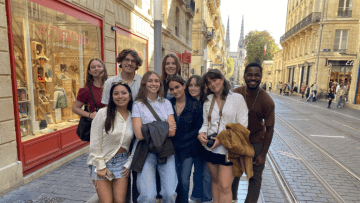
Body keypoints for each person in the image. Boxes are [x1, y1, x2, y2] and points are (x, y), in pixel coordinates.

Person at [197, 69, 248, 203]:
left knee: (225, 185)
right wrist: (201, 134)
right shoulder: (208, 100)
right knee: (215, 182)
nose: (213, 84)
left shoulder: (237, 98)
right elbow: (205, 124)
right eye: (209, 82)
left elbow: (242, 126)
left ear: (222, 79)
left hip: (229, 149)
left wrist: (221, 139)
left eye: (215, 80)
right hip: (211, 148)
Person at [101, 49, 143, 203]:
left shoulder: (142, 81)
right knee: (120, 175)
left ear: (137, 64)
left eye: (133, 61)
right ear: (120, 61)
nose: (129, 63)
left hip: (136, 131)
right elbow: (106, 109)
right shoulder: (110, 82)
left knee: (136, 173)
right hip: (117, 134)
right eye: (126, 59)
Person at [131, 71, 178, 202]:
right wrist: (163, 128)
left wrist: (149, 128)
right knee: (147, 195)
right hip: (145, 151)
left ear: (160, 84)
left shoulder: (166, 103)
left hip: (165, 150)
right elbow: (139, 135)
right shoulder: (137, 105)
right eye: (150, 80)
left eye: (156, 81)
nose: (154, 83)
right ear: (144, 83)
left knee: (169, 193)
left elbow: (172, 132)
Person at [232, 62, 275, 203]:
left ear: (261, 77)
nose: (253, 78)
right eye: (250, 74)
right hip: (237, 142)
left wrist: (263, 154)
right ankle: (232, 199)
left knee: (255, 179)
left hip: (256, 142)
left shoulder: (266, 100)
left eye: (257, 75)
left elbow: (269, 129)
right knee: (233, 175)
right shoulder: (236, 93)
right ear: (244, 76)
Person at [87, 82, 134, 203]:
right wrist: (101, 166)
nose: (120, 96)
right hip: (102, 161)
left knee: (120, 201)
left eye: (123, 93)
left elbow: (135, 142)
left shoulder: (133, 116)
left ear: (129, 95)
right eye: (116, 93)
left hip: (122, 162)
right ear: (111, 97)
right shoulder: (103, 113)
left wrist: (129, 161)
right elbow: (94, 142)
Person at [167, 75, 204, 203]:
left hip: (188, 149)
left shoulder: (195, 105)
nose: (175, 91)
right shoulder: (168, 104)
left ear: (184, 86)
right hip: (171, 149)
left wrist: (183, 140)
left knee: (184, 180)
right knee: (174, 180)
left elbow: (198, 128)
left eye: (177, 87)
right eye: (171, 89)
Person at [186, 75, 212, 203]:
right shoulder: (186, 101)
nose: (193, 88)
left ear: (202, 87)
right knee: (197, 172)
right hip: (193, 144)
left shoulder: (207, 102)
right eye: (190, 85)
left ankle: (207, 199)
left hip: (206, 143)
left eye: (196, 85)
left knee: (206, 175)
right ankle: (196, 197)